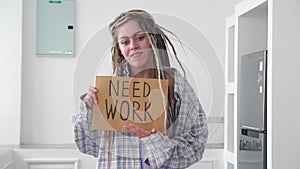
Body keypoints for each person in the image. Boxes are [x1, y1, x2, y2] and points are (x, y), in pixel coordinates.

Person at [73, 9, 208, 169]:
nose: (133, 46)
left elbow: (196, 146)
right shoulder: (108, 93)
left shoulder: (176, 85)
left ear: (152, 39)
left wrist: (154, 141)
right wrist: (88, 110)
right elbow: (89, 146)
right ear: (119, 49)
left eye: (140, 38)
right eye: (125, 42)